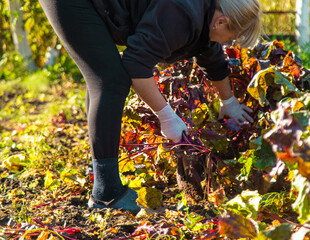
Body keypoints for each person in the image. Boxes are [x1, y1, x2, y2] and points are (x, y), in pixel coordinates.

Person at [39, 0, 262, 213]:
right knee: (110, 80)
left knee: (103, 76)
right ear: (221, 22)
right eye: (231, 38)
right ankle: (106, 193)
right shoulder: (182, 12)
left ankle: (100, 175)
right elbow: (136, 65)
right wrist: (166, 116)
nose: (228, 44)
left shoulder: (206, 10)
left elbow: (211, 56)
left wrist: (229, 101)